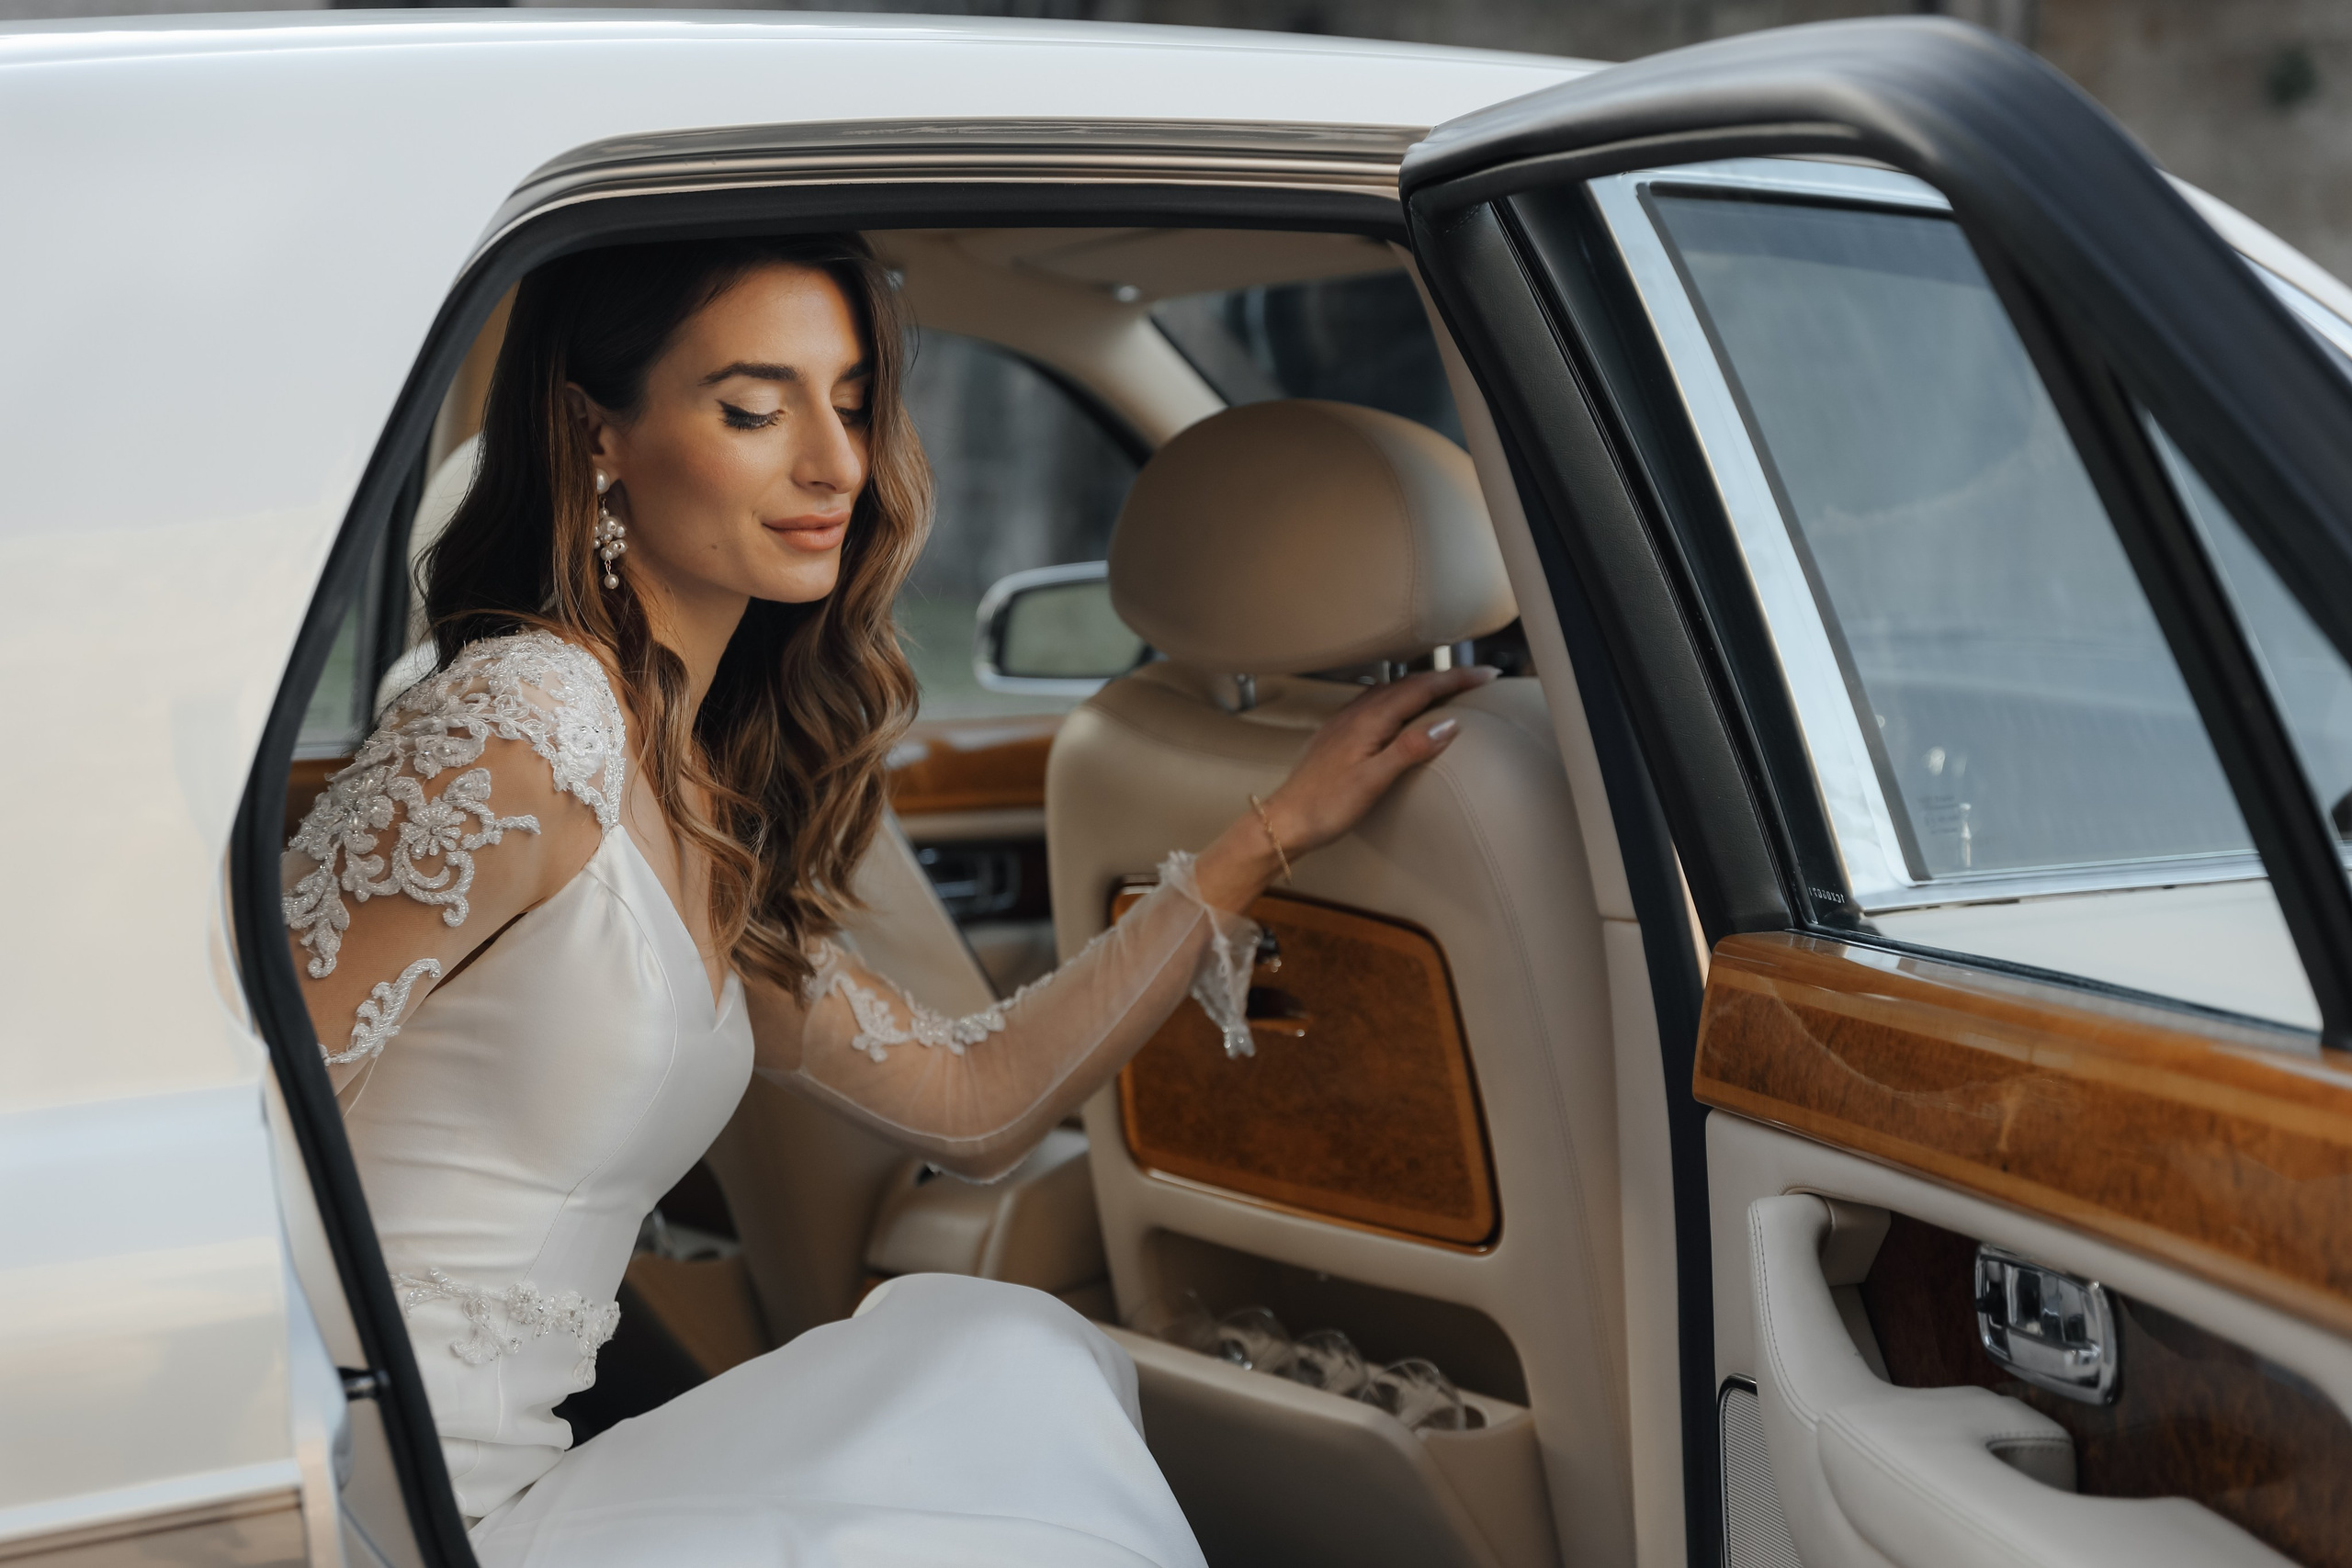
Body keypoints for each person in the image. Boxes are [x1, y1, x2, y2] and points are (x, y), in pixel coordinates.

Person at [282, 231, 1492, 1566]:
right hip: (364, 1507)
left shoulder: (689, 779)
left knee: (1006, 1357)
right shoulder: (522, 728)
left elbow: (973, 1103)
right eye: (755, 410)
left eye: (852, 405)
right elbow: (247, 1125)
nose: (836, 465)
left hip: (511, 1490)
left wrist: (1266, 837)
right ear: (595, 434)